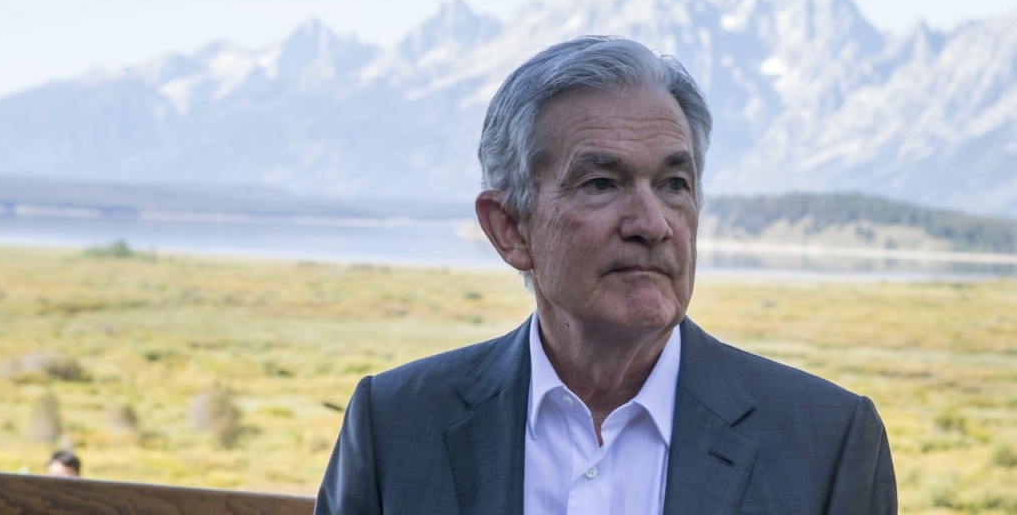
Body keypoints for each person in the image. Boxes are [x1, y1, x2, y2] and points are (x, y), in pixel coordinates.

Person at [315, 36, 897, 514]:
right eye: (602, 184)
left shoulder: (828, 443)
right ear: (510, 228)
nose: (652, 223)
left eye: (674, 184)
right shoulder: (395, 423)